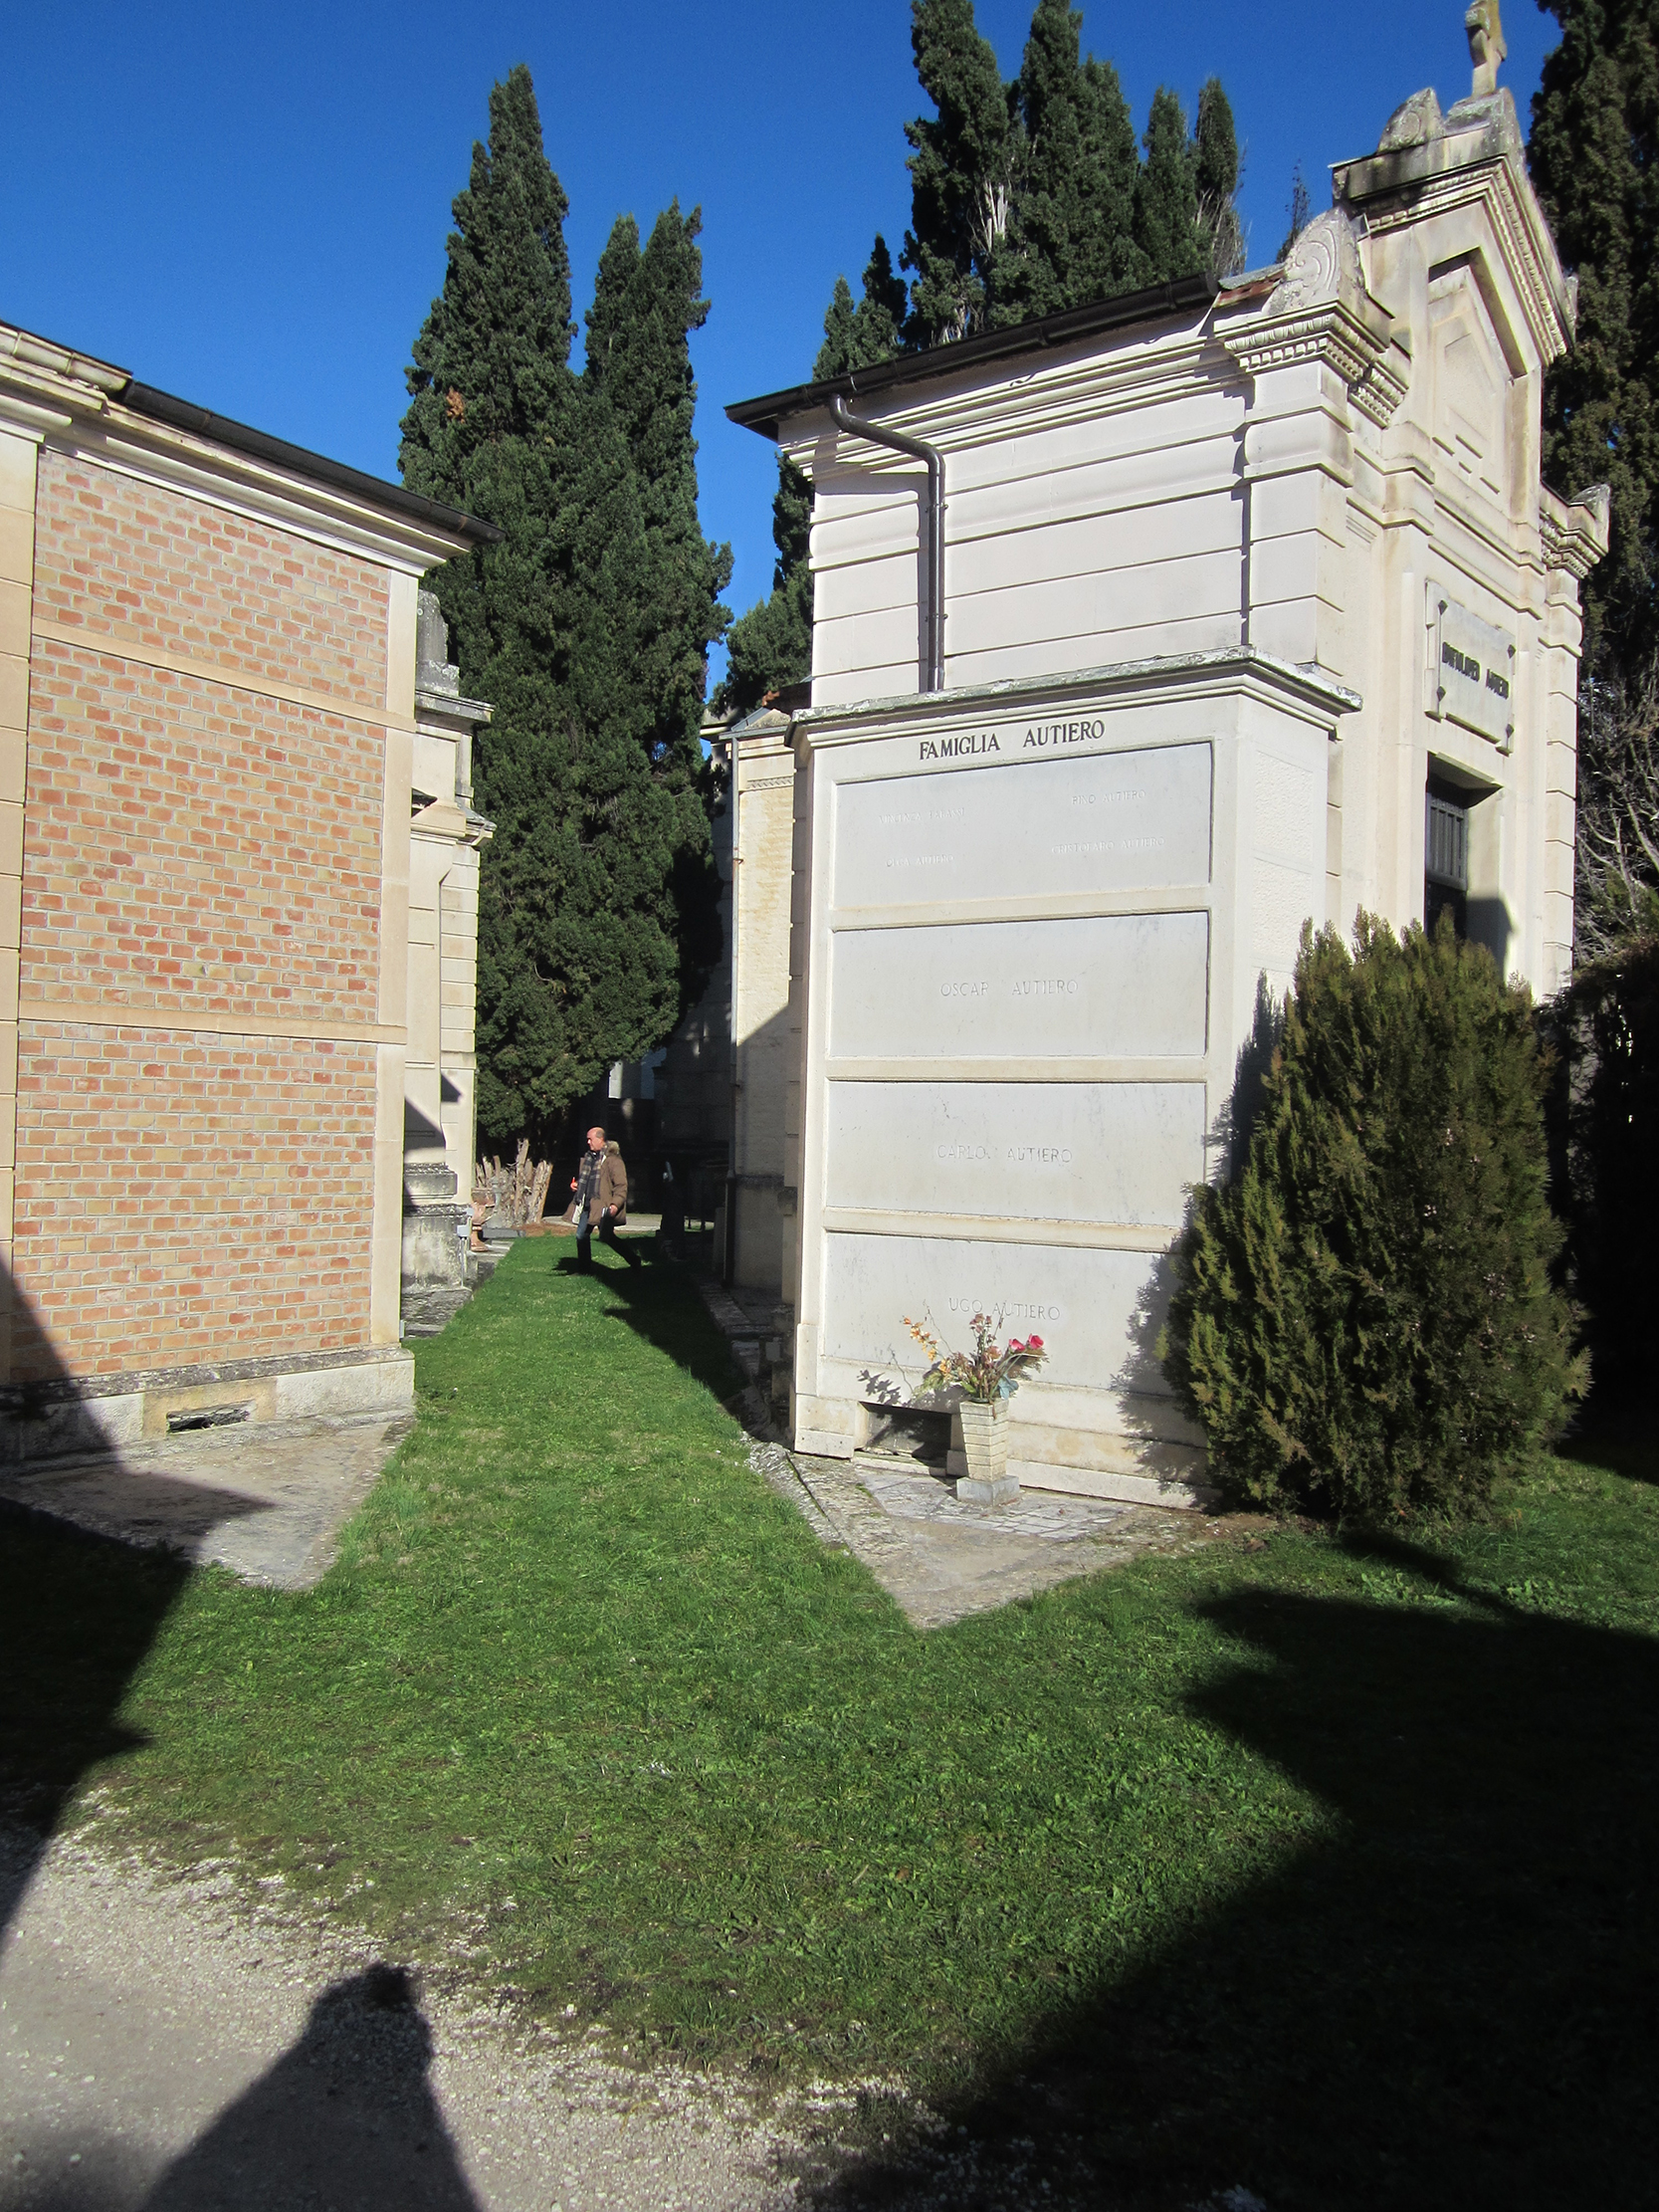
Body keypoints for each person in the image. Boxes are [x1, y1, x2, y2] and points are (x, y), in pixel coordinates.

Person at [569, 1127, 638, 1270]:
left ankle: (633, 1259)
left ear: (601, 1139)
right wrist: (577, 1186)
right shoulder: (589, 1159)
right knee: (581, 1235)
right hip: (588, 1205)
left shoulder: (613, 1161)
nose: (588, 1142)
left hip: (603, 1206)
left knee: (607, 1237)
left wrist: (615, 1204)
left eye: (590, 1139)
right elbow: (587, 1180)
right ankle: (584, 1269)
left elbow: (621, 1185)